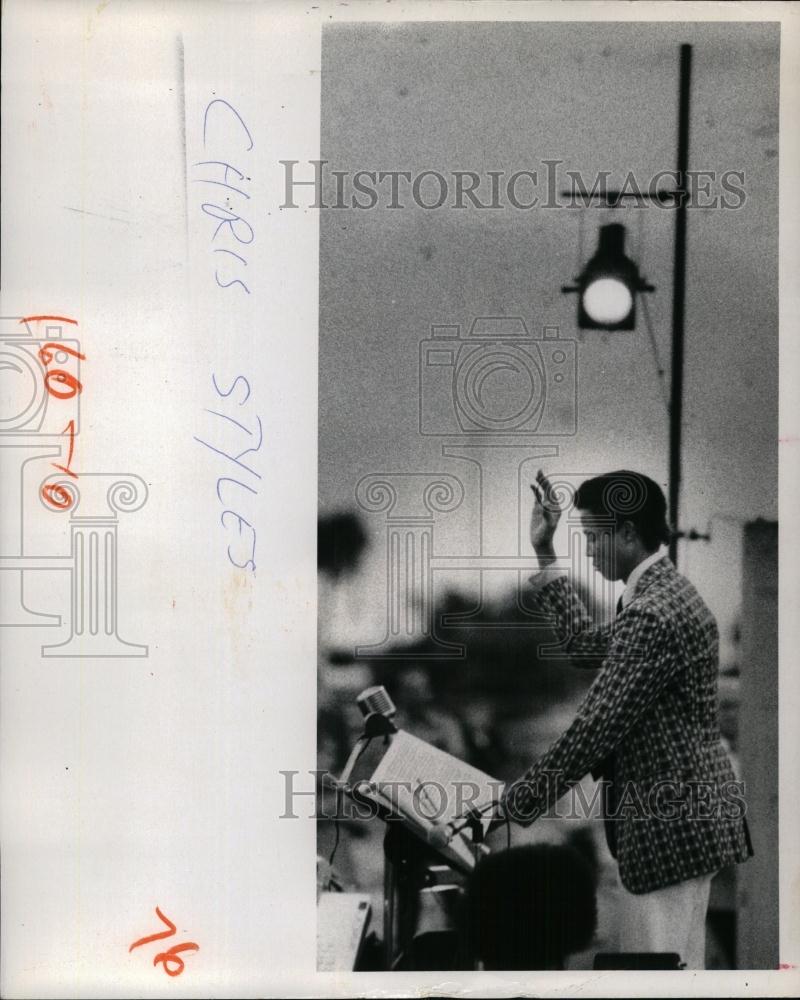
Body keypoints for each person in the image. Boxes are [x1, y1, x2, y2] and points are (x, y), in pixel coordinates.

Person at [500, 469, 752, 969]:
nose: (589, 551)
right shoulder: (660, 594)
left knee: (652, 973)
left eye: (594, 537)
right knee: (676, 971)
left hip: (668, 830)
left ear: (629, 534)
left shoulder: (653, 612)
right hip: (685, 823)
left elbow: (594, 727)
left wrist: (513, 803)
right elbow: (582, 645)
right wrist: (544, 552)